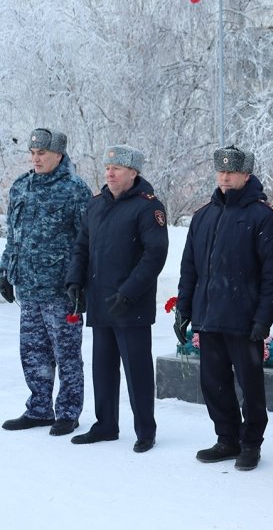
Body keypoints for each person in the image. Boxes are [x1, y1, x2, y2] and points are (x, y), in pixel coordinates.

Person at [177, 145, 273, 471]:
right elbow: (190, 268)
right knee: (213, 384)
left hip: (244, 320)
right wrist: (184, 309)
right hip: (209, 317)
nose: (225, 177)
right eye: (221, 171)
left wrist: (263, 318)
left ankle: (251, 443)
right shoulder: (203, 216)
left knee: (250, 386)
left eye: (232, 172)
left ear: (247, 174)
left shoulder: (265, 217)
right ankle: (226, 438)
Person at [67, 144, 168, 453]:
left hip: (130, 304)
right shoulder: (95, 204)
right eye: (107, 168)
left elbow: (155, 255)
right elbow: (82, 247)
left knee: (137, 370)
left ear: (133, 174)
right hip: (100, 300)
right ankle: (106, 424)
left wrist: (129, 293)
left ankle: (145, 431)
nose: (109, 173)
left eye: (117, 169)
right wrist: (74, 282)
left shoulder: (147, 207)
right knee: (103, 368)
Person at [0, 128, 91, 437]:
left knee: (66, 354)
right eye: (34, 153)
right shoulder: (21, 187)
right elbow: (13, 235)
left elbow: (86, 241)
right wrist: (4, 271)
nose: (36, 158)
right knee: (33, 352)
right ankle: (39, 408)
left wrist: (82, 284)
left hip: (61, 290)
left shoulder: (75, 189)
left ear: (59, 156)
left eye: (43, 154)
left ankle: (68, 411)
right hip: (28, 287)